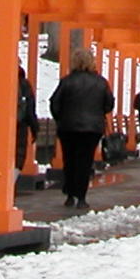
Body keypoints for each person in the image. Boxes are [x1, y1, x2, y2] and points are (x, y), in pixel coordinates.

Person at [48, 46, 113, 209]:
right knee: (85, 161)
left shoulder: (67, 81)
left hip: (68, 127)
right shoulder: (101, 82)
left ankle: (70, 194)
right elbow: (109, 105)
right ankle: (81, 196)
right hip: (92, 129)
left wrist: (61, 118)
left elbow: (55, 102)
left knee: (69, 159)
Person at [0, 62, 36, 174]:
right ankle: (11, 180)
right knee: (18, 155)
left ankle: (1, 179)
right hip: (20, 125)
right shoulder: (24, 84)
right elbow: (30, 108)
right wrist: (34, 128)